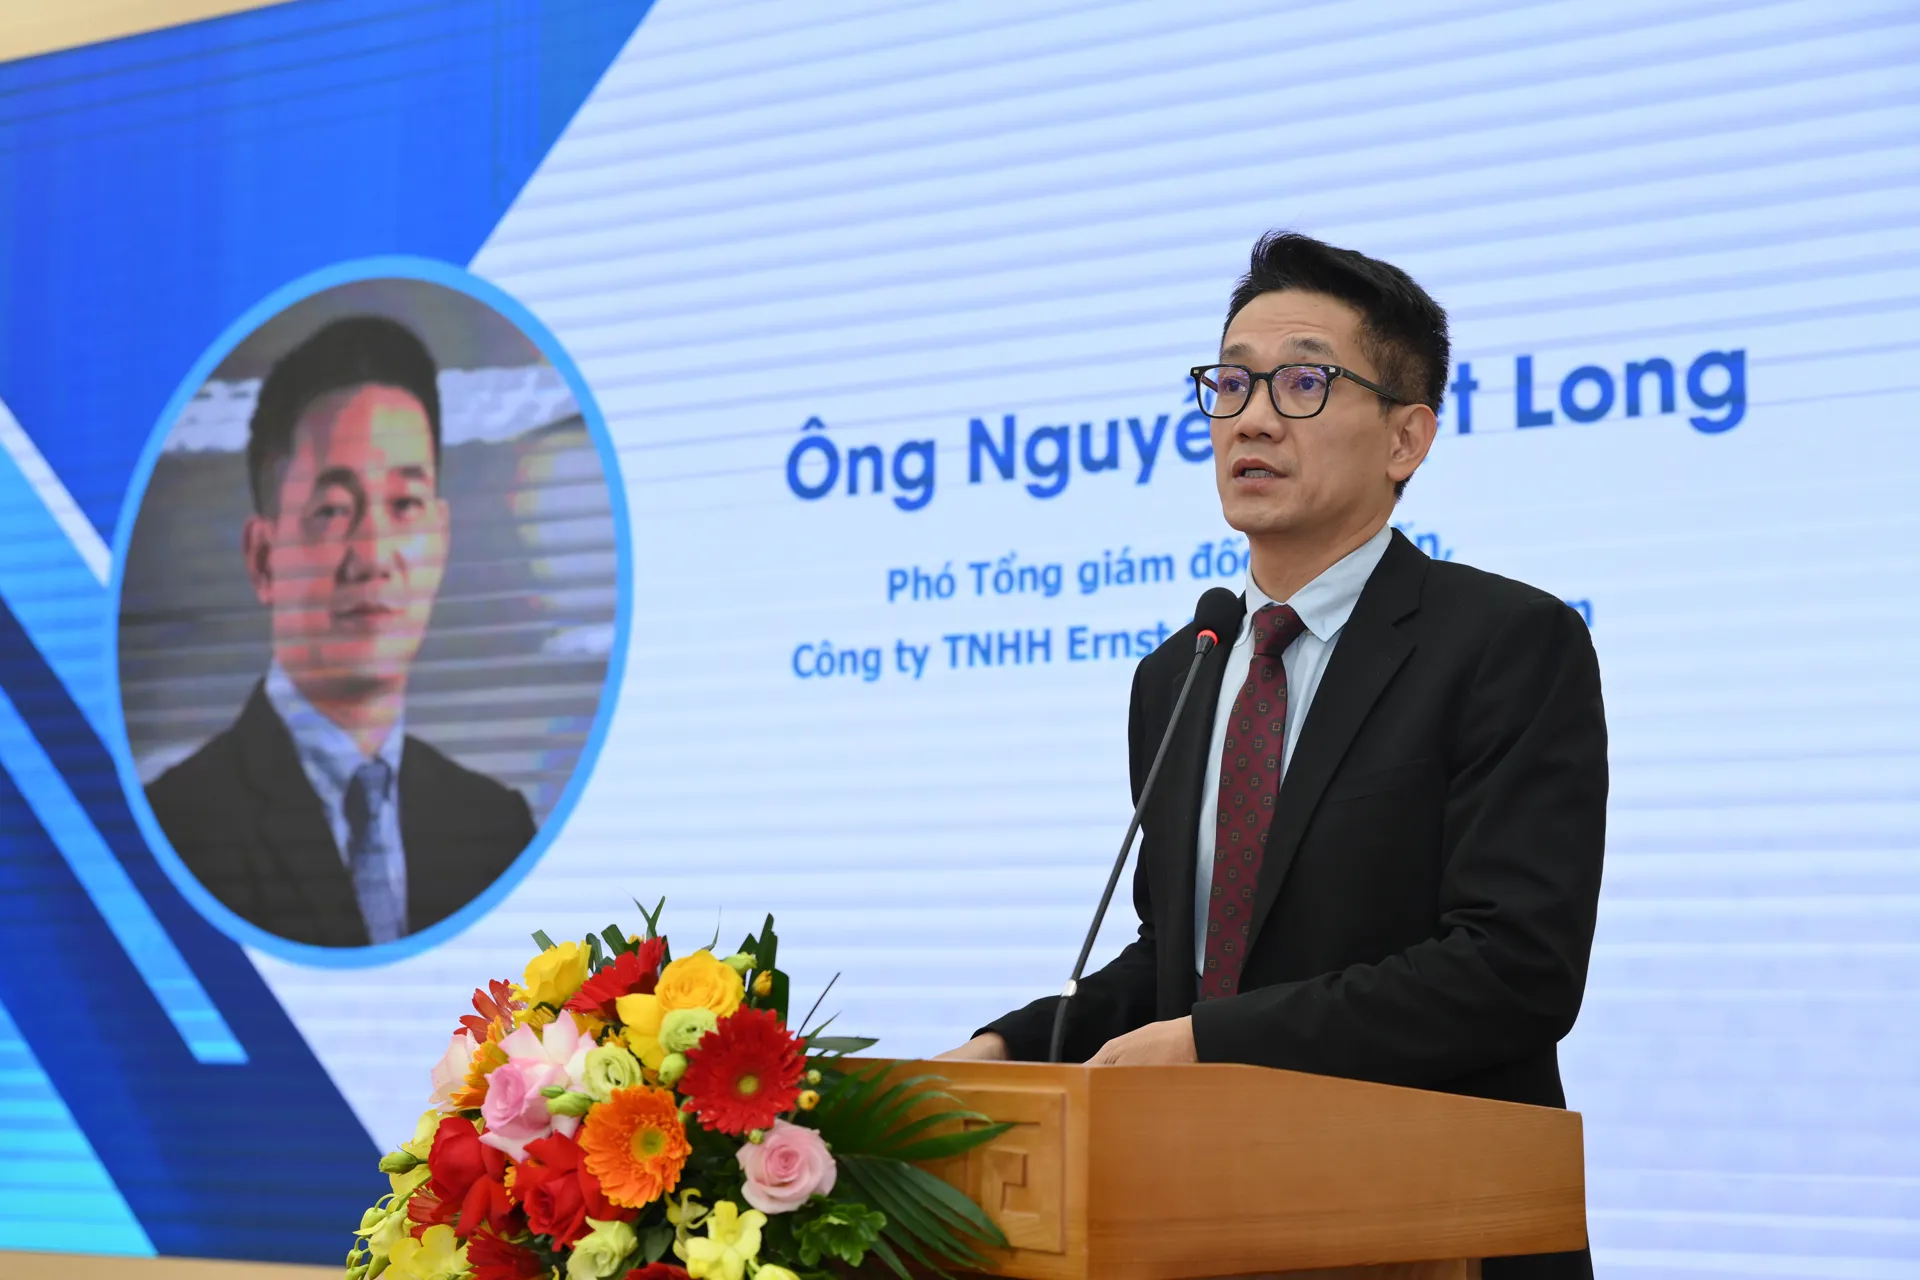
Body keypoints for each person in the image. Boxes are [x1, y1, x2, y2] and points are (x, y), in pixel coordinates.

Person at [942, 233, 1606, 1280]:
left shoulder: (1505, 643)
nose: (1251, 417)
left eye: (1304, 382)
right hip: (1207, 1225)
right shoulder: (1183, 670)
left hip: (1435, 1229)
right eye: (1231, 383)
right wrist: (1011, 1048)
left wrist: (1213, 1042)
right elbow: (1181, 959)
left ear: (1407, 438)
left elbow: (1511, 968)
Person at [147, 316, 535, 948]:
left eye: (404, 505)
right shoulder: (175, 833)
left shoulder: (497, 830)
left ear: (440, 539)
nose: (374, 556)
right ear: (263, 558)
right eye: (333, 511)